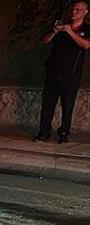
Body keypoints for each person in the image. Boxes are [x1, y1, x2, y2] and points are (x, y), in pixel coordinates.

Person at [34, 1, 90, 144]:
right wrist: (54, 31)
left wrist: (70, 31)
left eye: (78, 9)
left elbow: (86, 45)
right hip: (53, 71)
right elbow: (44, 41)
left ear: (85, 12)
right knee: (48, 103)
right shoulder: (62, 27)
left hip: (71, 74)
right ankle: (43, 132)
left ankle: (64, 133)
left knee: (68, 104)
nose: (74, 11)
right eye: (73, 8)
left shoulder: (86, 29)